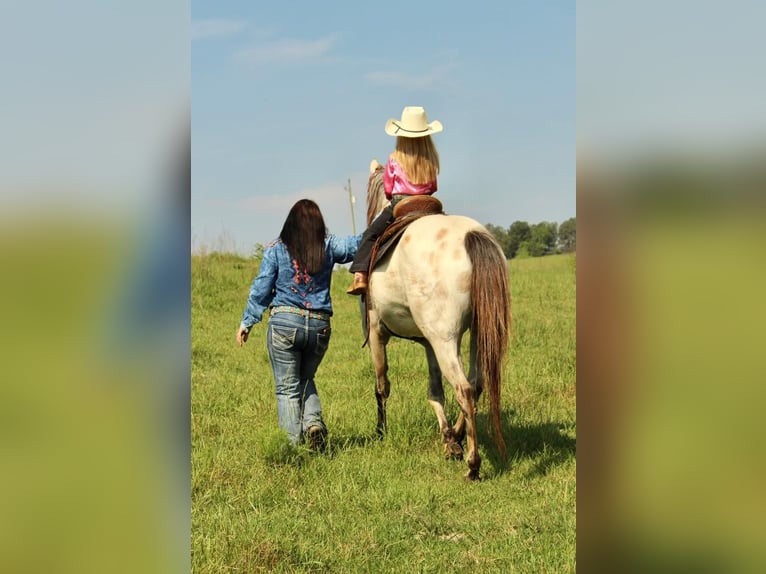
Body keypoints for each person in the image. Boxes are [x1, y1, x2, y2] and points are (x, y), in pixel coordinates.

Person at [236, 199, 361, 450]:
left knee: (287, 389)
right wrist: (386, 217)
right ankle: (313, 424)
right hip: (319, 326)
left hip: (284, 323)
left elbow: (261, 288)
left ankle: (292, 449)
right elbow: (357, 245)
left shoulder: (276, 248)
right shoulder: (329, 245)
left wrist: (247, 321)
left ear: (290, 223)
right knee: (306, 377)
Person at [347, 105, 442, 295]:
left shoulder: (394, 158)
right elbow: (434, 187)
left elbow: (388, 189)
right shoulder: (431, 159)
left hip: (401, 203)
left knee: (370, 235)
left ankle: (360, 276)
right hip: (428, 205)